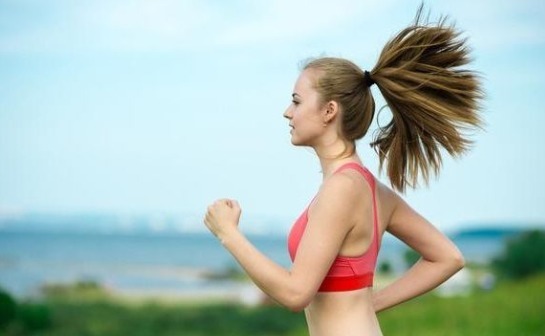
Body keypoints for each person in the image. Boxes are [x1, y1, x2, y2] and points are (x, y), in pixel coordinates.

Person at [204, 7, 482, 336]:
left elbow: (295, 294)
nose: (286, 112)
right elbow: (447, 257)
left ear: (329, 111)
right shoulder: (366, 188)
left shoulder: (343, 189)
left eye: (296, 101)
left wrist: (229, 235)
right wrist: (368, 304)